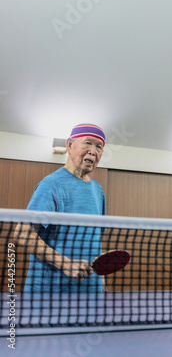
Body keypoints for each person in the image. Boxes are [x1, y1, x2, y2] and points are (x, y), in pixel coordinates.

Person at [15, 123, 106, 292]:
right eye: (88, 143)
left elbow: (95, 241)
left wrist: (100, 286)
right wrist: (66, 264)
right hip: (50, 294)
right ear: (70, 145)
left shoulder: (98, 190)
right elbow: (22, 233)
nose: (93, 151)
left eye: (99, 147)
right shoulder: (51, 185)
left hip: (89, 293)